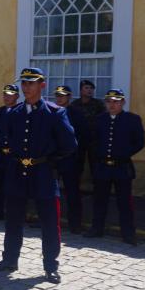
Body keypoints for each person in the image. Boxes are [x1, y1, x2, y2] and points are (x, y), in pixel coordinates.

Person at [0, 68, 76, 284]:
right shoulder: (14, 113)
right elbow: (6, 140)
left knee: (49, 223)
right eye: (24, 83)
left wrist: (49, 161)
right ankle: (9, 259)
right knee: (13, 220)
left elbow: (69, 145)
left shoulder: (55, 113)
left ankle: (50, 266)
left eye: (31, 83)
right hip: (18, 172)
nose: (27, 87)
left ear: (42, 85)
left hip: (43, 173)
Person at [86, 88, 145, 245]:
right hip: (103, 166)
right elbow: (92, 140)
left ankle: (128, 233)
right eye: (109, 101)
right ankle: (96, 229)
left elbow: (139, 142)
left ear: (123, 102)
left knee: (124, 202)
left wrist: (124, 153)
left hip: (122, 167)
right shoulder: (99, 119)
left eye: (116, 101)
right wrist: (99, 154)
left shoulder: (132, 119)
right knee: (99, 200)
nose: (112, 105)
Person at [53, 85, 88, 233]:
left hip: (70, 159)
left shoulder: (77, 113)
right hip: (53, 158)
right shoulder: (51, 111)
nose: (60, 98)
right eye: (58, 95)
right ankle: (49, 220)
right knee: (50, 192)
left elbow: (83, 136)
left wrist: (77, 158)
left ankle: (75, 224)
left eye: (63, 95)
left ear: (69, 97)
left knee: (72, 193)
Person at [0, 84, 20, 220]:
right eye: (5, 94)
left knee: (14, 186)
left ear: (17, 96)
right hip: (1, 154)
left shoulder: (20, 111)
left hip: (15, 155)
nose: (7, 97)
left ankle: (14, 214)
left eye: (10, 94)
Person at [70, 79, 106, 173]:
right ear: (81, 90)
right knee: (77, 165)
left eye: (91, 88)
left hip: (94, 139)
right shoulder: (74, 105)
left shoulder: (98, 104)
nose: (89, 90)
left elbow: (103, 120)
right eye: (86, 88)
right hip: (79, 139)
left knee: (95, 165)